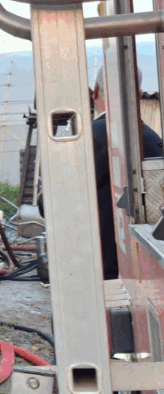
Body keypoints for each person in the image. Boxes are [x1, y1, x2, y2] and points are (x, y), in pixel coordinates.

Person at [89, 67, 162, 279]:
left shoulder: (90, 138)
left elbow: (57, 204)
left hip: (101, 266)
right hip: (146, 263)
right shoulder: (153, 139)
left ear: (95, 91)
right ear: (138, 95)